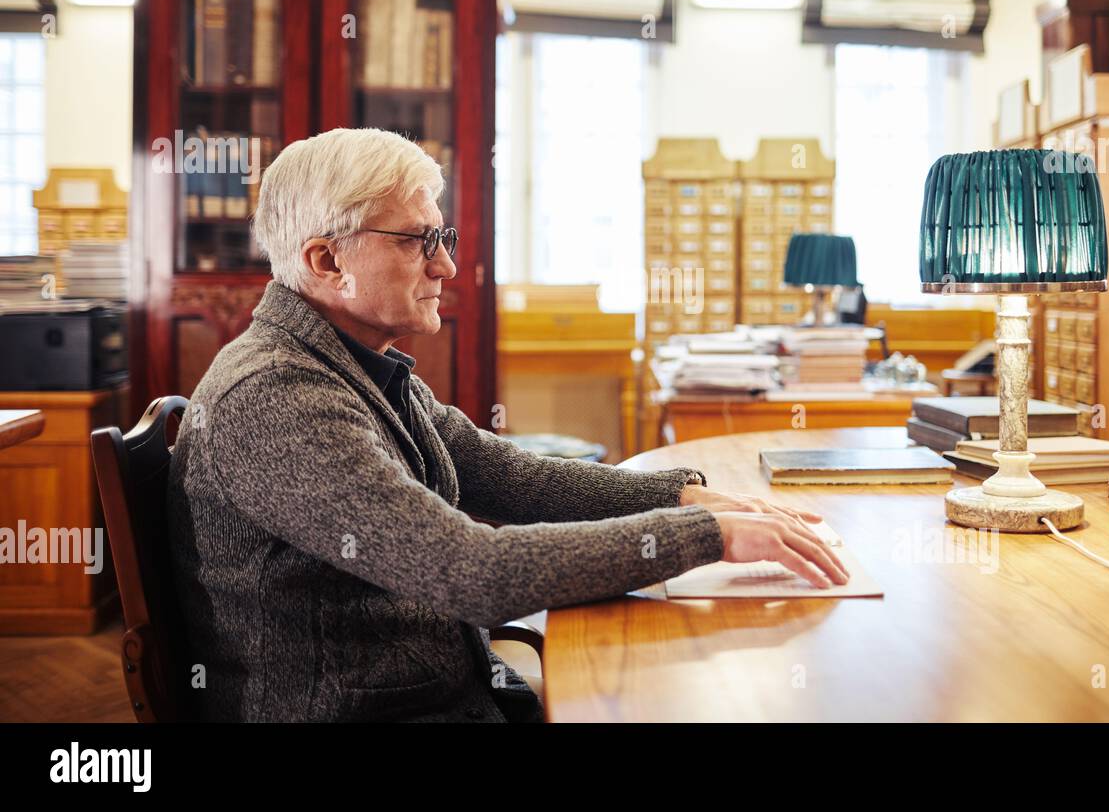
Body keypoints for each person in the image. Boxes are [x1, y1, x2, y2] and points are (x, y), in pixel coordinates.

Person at [168, 127, 847, 722]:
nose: (447, 265)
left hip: (432, 694)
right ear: (326, 261)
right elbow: (473, 573)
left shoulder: (355, 361)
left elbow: (507, 476)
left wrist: (679, 496)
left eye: (442, 237)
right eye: (417, 242)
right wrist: (709, 535)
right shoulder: (279, 397)